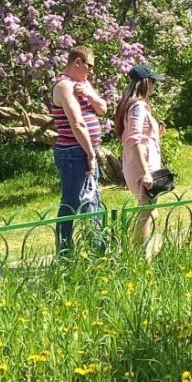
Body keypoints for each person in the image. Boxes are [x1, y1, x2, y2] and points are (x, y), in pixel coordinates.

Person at [50, 46, 108, 255]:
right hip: (74, 153)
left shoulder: (83, 84)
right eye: (89, 66)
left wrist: (90, 95)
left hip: (86, 151)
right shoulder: (64, 86)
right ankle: (65, 253)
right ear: (77, 63)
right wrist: (90, 154)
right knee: (71, 204)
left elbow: (103, 109)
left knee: (92, 201)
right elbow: (77, 124)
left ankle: (97, 251)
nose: (91, 71)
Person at [115, 62, 165, 251]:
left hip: (141, 163)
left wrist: (156, 134)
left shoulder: (134, 105)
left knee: (151, 212)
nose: (154, 85)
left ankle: (143, 252)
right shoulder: (137, 107)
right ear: (144, 82)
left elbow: (138, 136)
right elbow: (133, 140)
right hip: (142, 166)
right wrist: (146, 173)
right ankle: (139, 255)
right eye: (152, 81)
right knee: (147, 212)